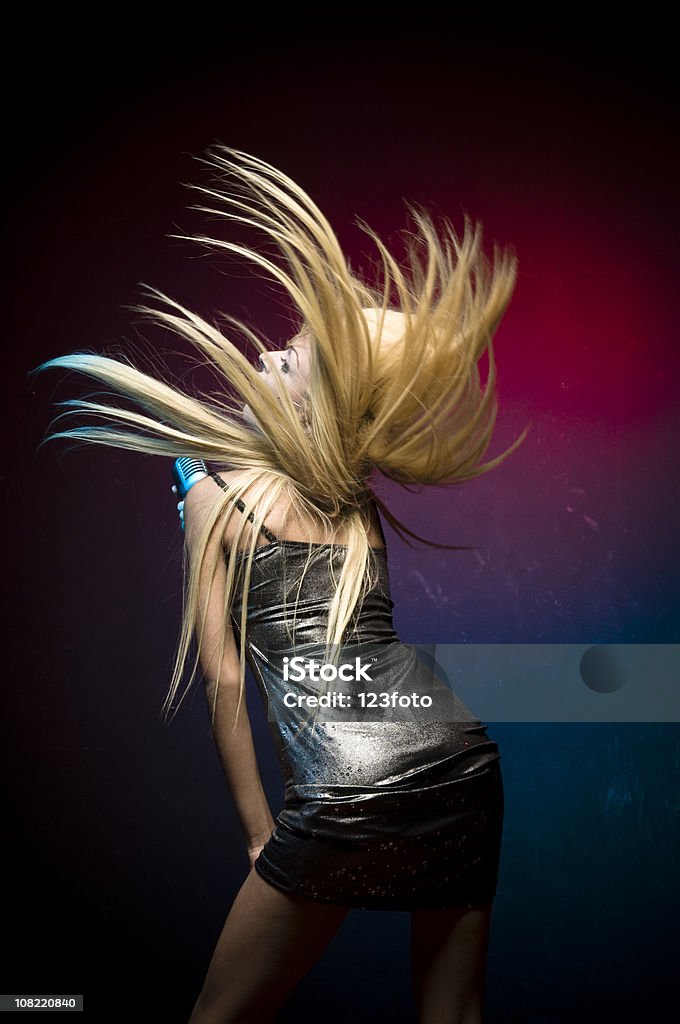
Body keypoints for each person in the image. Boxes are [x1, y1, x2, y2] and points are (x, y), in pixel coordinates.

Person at [31, 146, 529, 1023]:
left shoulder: (213, 494)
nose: (269, 352)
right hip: (460, 760)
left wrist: (260, 835)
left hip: (346, 782)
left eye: (292, 358)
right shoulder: (356, 505)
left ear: (311, 405)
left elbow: (226, 679)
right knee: (453, 1013)